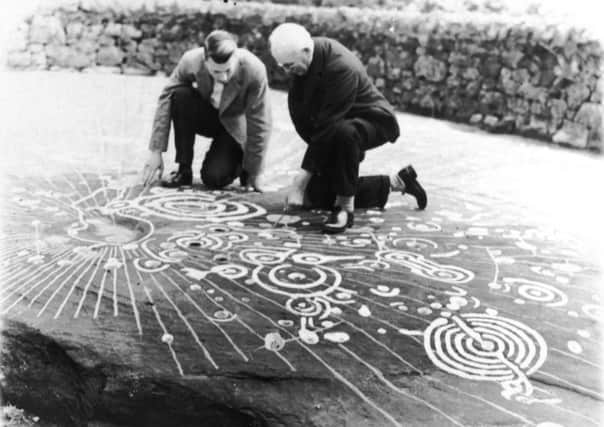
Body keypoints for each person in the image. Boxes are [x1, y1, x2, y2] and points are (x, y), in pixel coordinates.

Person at [268, 23, 427, 233]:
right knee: (316, 195)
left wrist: (300, 179)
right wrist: (323, 164)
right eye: (283, 67)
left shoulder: (341, 66)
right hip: (338, 127)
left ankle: (345, 208)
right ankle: (397, 182)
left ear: (306, 51)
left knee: (344, 133)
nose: (288, 71)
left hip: (373, 120)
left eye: (289, 65)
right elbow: (307, 118)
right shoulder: (303, 56)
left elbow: (328, 125)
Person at [142, 30, 271, 191]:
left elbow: (260, 121)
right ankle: (183, 170)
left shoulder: (254, 69)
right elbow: (166, 96)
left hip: (234, 126)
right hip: (209, 116)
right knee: (180, 96)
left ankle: (240, 163)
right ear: (205, 61)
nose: (223, 77)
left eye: (228, 70)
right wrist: (156, 152)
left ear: (236, 58)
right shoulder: (191, 60)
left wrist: (255, 171)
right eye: (216, 71)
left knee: (214, 178)